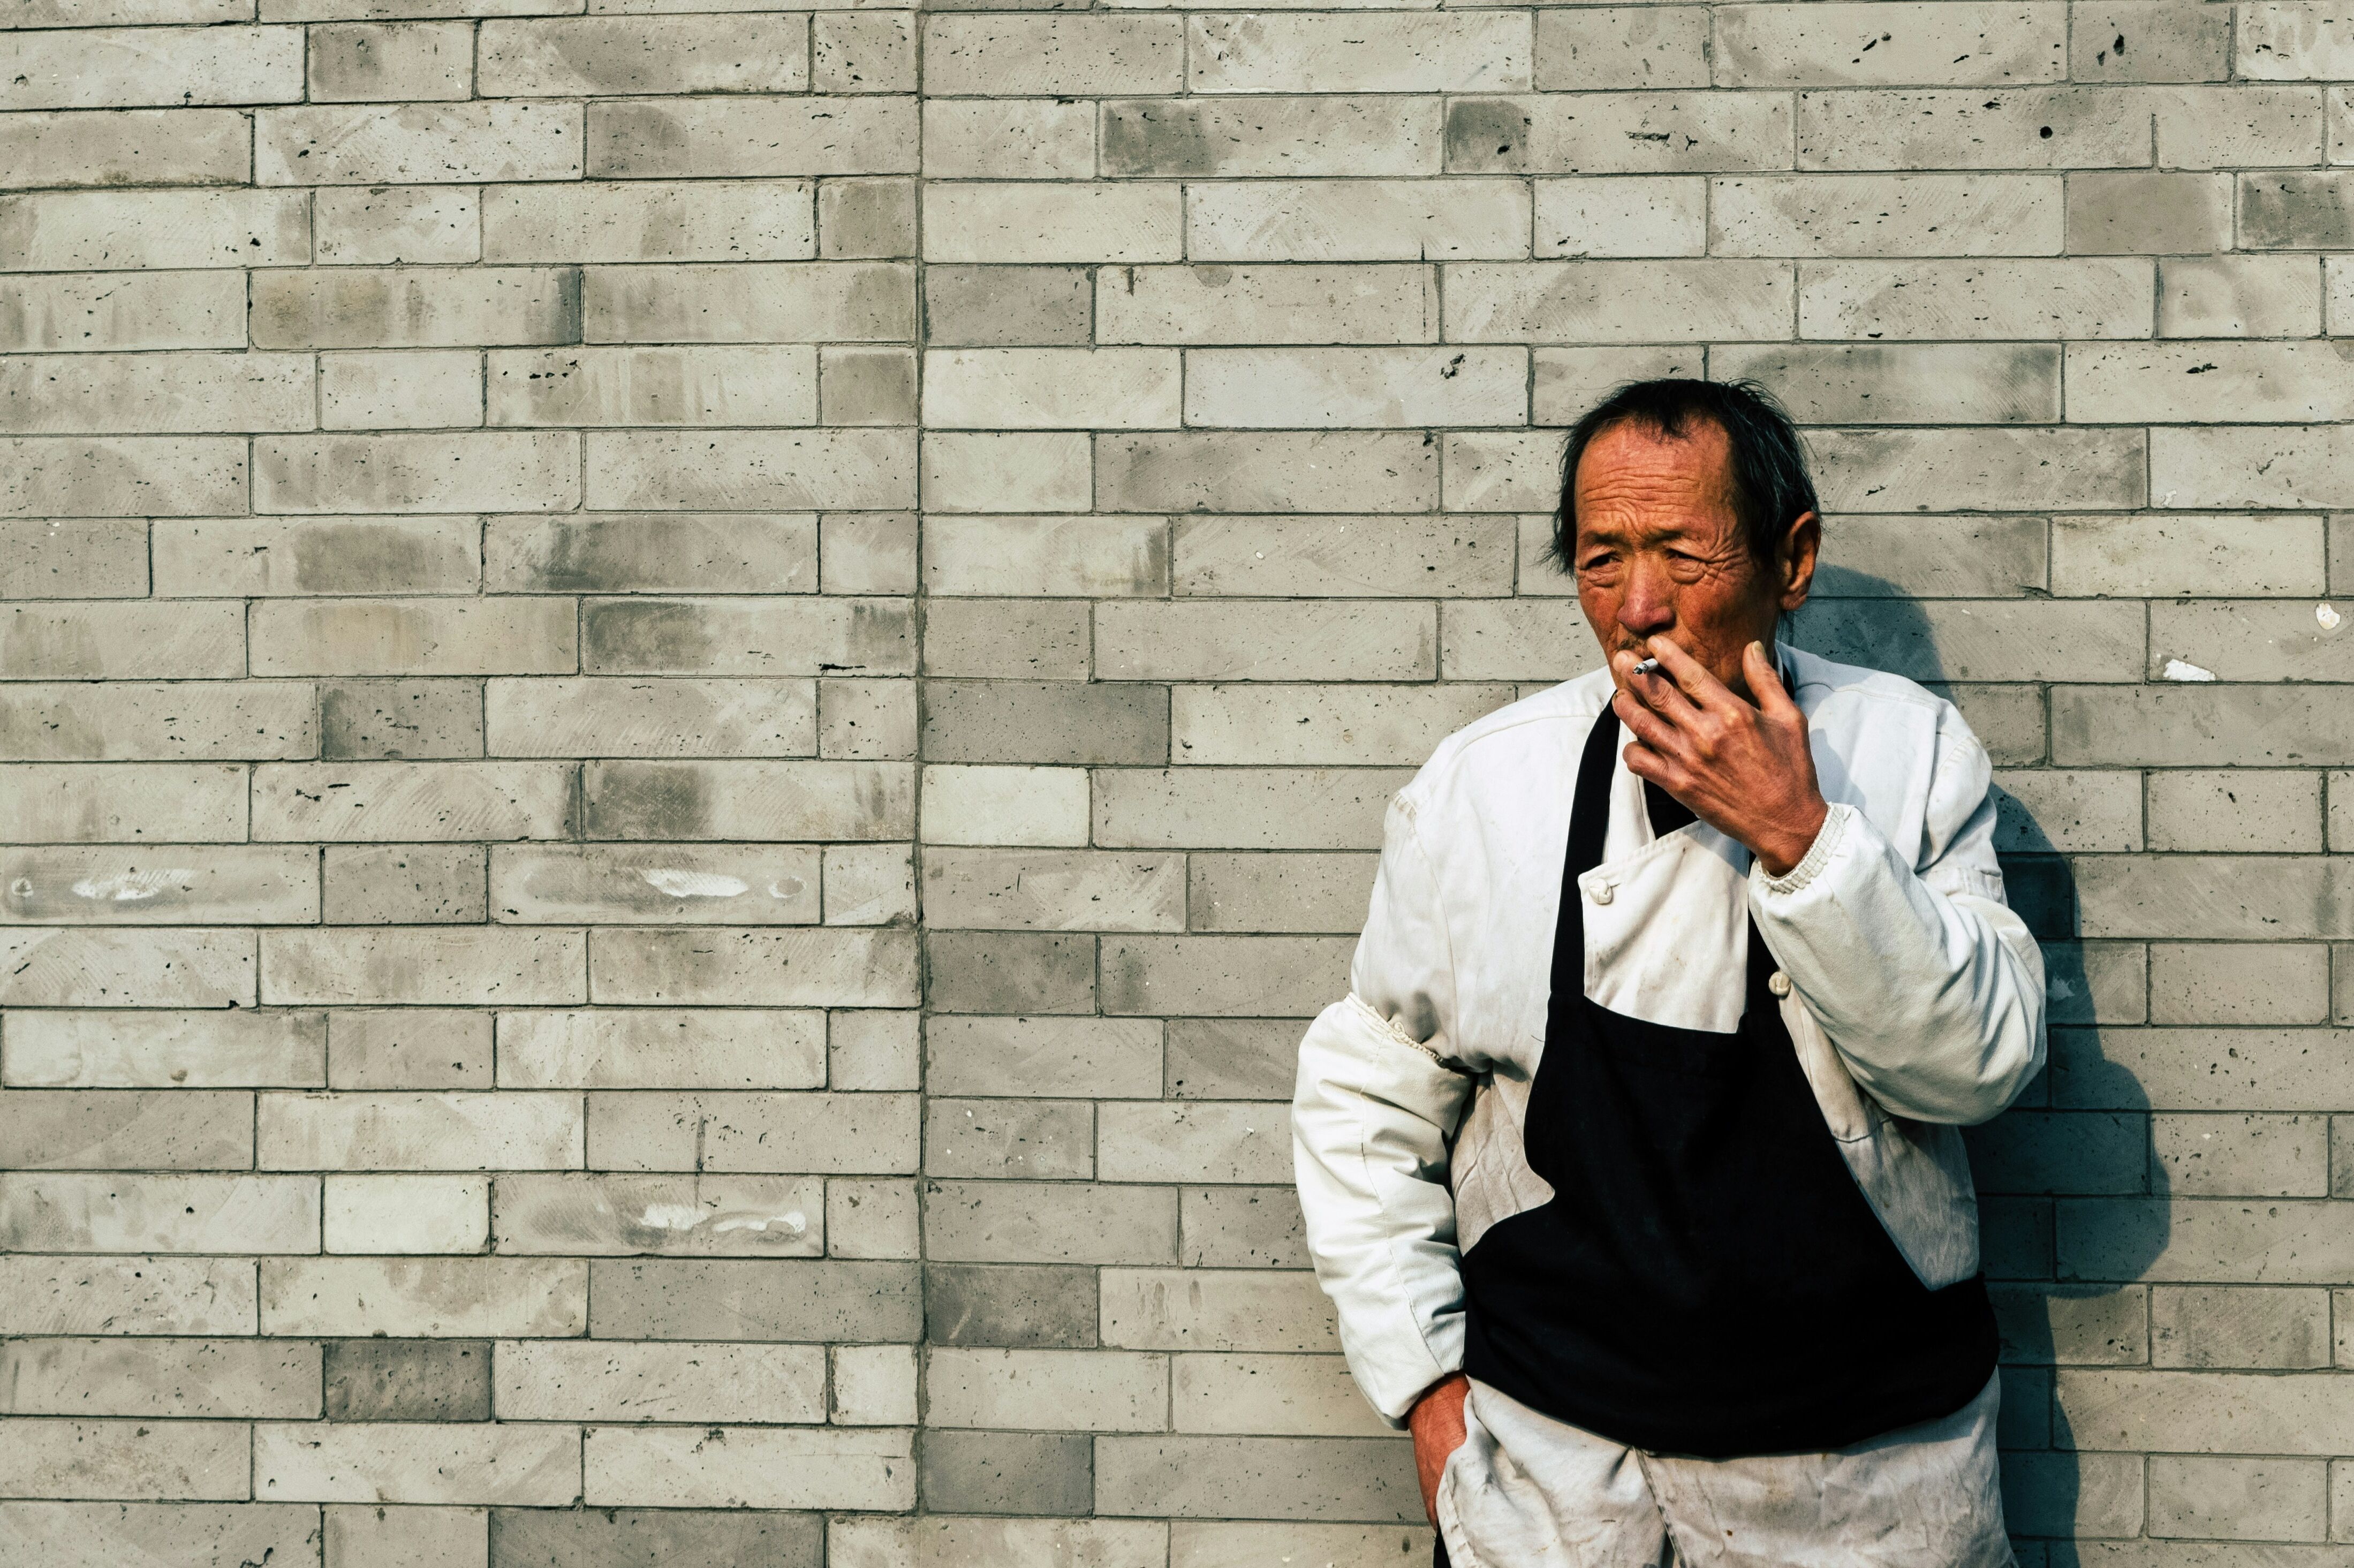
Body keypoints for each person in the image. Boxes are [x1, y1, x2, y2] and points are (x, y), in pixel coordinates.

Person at [1291, 378, 2045, 1568]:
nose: (1639, 608)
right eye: (1603, 559)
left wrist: (1803, 840)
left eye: (1682, 554)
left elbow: (1975, 1068)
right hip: (1559, 1472)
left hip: (1873, 1471)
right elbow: (1365, 1099)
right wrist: (1428, 1384)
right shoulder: (1484, 787)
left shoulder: (1905, 755)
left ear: (1791, 560)